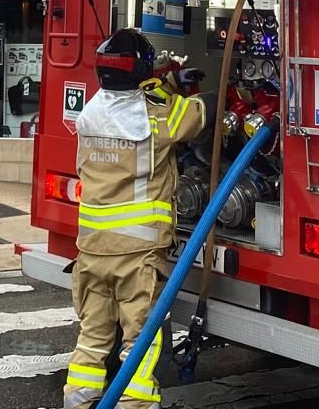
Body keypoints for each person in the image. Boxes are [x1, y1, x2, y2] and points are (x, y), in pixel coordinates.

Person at [64, 29, 205, 409]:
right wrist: (172, 85)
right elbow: (196, 116)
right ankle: (134, 403)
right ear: (142, 72)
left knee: (93, 335)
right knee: (139, 339)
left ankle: (78, 400)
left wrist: (159, 82)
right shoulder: (158, 122)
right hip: (137, 254)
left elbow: (128, 99)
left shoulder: (89, 115)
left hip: (91, 251)